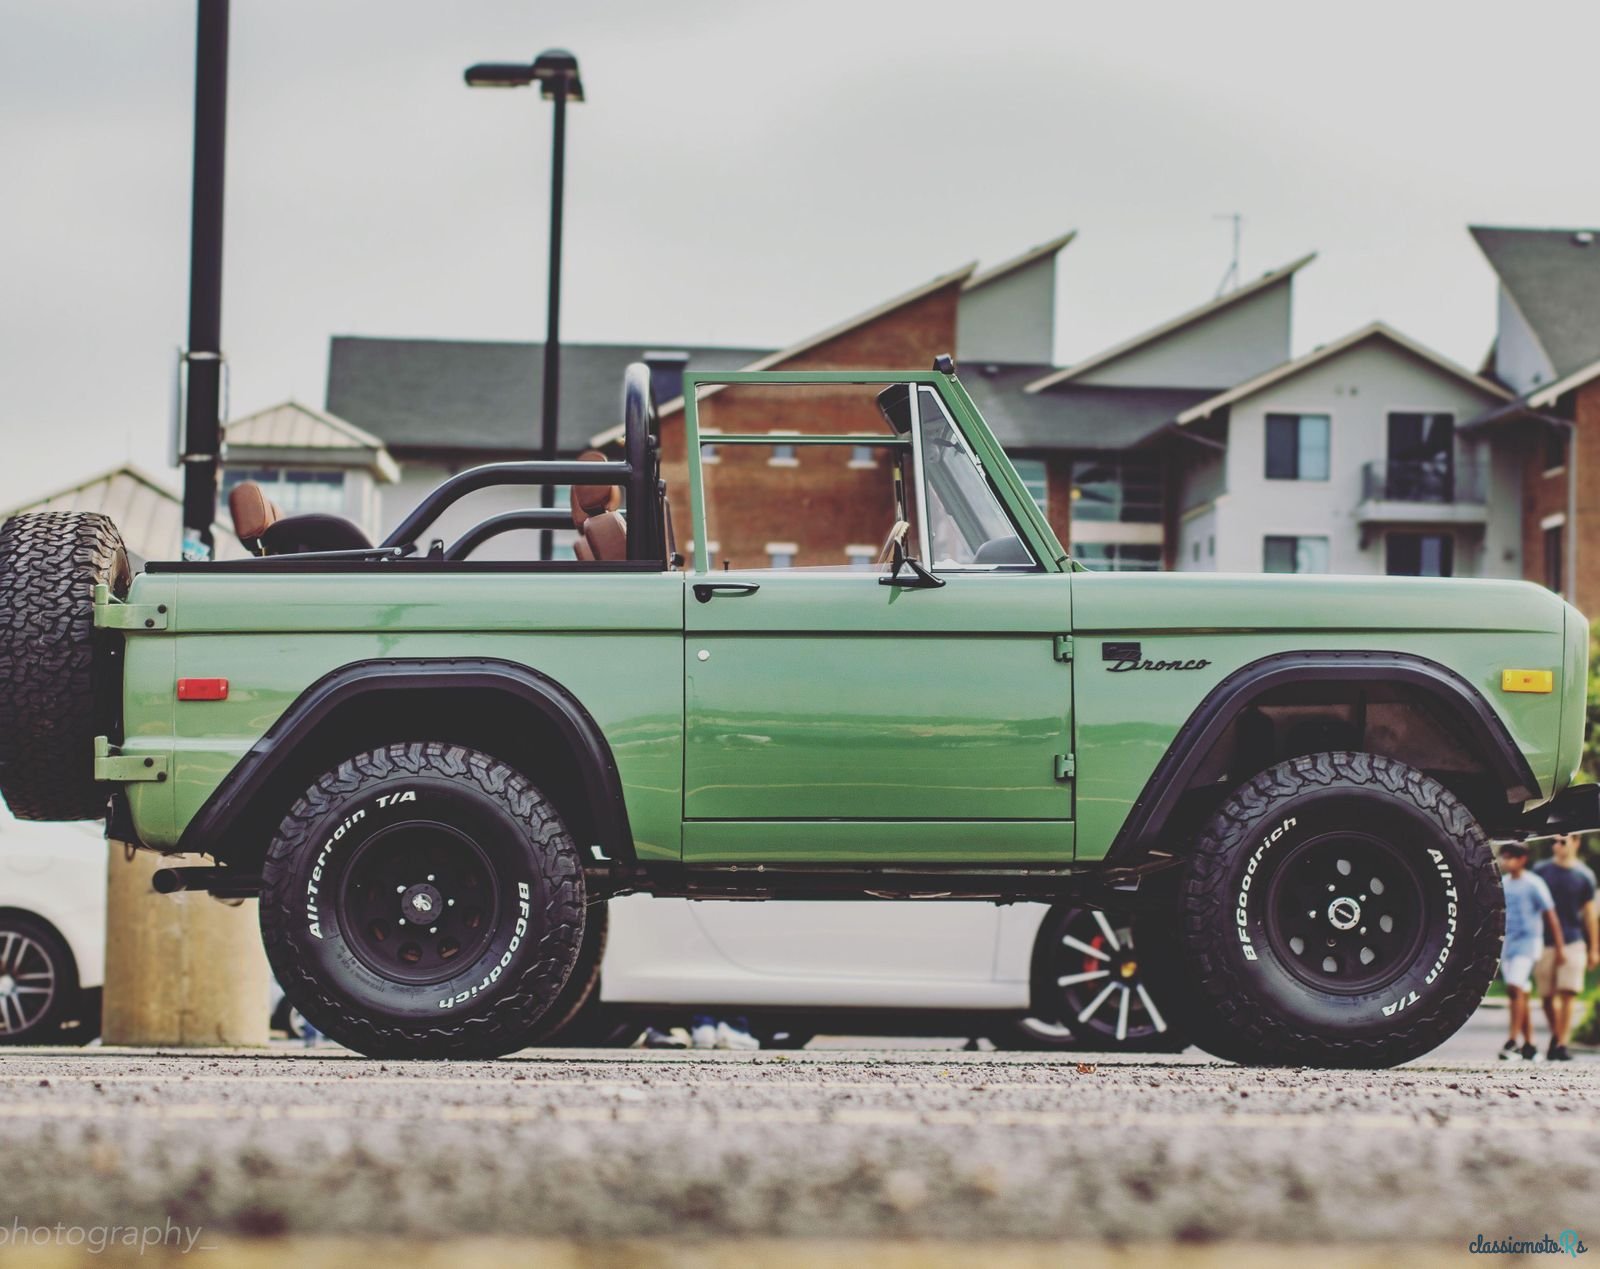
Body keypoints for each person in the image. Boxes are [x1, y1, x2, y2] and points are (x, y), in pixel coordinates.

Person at [1533, 834, 1599, 1061]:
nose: (1557, 846)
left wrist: (1594, 949)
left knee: (1568, 993)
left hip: (1573, 941)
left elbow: (1590, 915)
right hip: (1545, 942)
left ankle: (1560, 1043)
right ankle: (1557, 1035)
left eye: (1563, 841)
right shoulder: (1541, 872)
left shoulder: (1584, 876)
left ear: (1576, 842)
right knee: (1547, 997)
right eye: (1554, 841)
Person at [1497, 841, 1563, 1061]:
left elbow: (1550, 915)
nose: (1505, 861)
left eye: (1510, 857)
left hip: (1528, 942)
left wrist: (1559, 946)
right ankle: (1530, 1044)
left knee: (1515, 987)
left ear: (1522, 859)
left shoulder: (1534, 884)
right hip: (1509, 943)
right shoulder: (1503, 884)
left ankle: (1512, 1040)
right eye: (1503, 857)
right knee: (1519, 992)